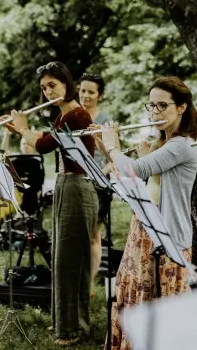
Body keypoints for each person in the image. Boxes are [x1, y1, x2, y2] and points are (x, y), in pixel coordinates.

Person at [97, 76, 197, 350]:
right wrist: (107, 148)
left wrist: (113, 145)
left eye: (163, 105)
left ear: (182, 107)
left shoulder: (182, 144)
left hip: (167, 239)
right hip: (145, 231)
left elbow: (133, 170)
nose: (155, 112)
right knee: (133, 300)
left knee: (158, 312)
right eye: (151, 106)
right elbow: (139, 181)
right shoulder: (164, 142)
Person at [6, 61, 98, 346]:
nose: (47, 91)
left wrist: (23, 129)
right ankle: (68, 322)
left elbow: (44, 146)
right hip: (66, 185)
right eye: (44, 87)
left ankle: (71, 327)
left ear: (66, 84)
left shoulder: (77, 115)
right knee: (65, 257)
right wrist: (19, 129)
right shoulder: (63, 117)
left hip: (77, 186)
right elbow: (44, 140)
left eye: (52, 85)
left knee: (68, 260)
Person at [78, 72, 113, 287]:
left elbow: (113, 157)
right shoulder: (73, 116)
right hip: (77, 182)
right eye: (83, 91)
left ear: (100, 95)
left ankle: (89, 283)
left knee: (93, 235)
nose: (86, 95)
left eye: (91, 92)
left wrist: (100, 174)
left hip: (99, 185)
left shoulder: (105, 121)